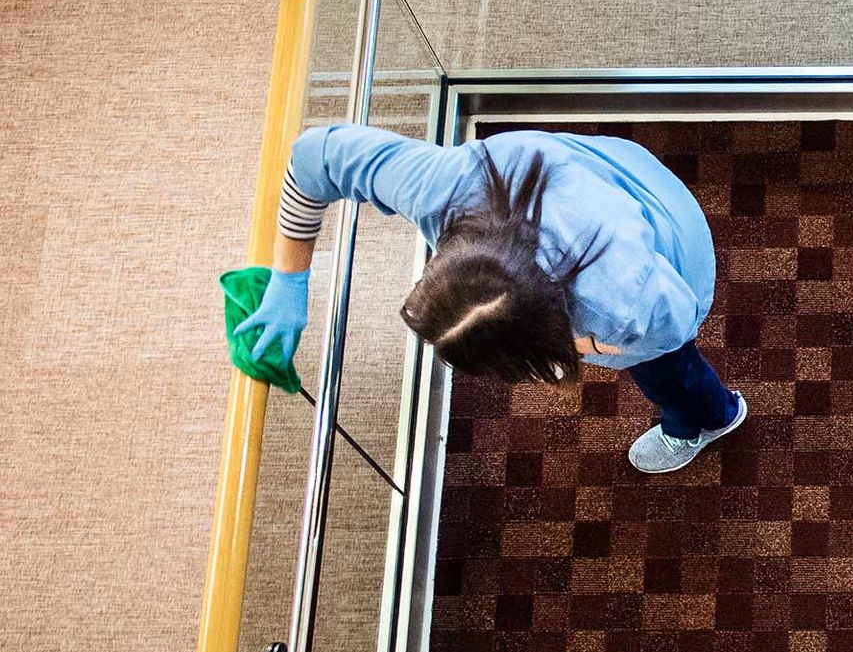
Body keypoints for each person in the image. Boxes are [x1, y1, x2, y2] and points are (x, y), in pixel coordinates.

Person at [238, 124, 745, 473]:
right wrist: (289, 280)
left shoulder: (620, 300)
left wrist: (583, 345)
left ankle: (710, 418)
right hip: (601, 168)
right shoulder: (441, 184)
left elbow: (674, 326)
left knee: (669, 372)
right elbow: (312, 157)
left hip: (674, 239)